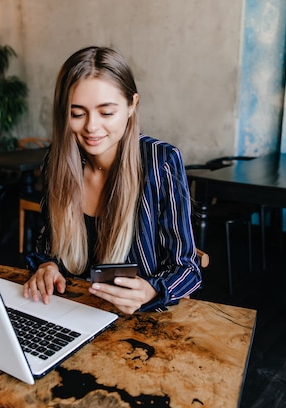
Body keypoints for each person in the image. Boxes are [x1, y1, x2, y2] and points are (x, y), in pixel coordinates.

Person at [24, 46, 202, 314]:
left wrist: (152, 290)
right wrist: (47, 265)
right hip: (70, 311)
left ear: (132, 106)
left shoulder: (160, 161)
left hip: (134, 323)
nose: (91, 127)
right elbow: (48, 243)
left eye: (106, 113)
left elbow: (187, 268)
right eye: (77, 113)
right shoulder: (58, 161)